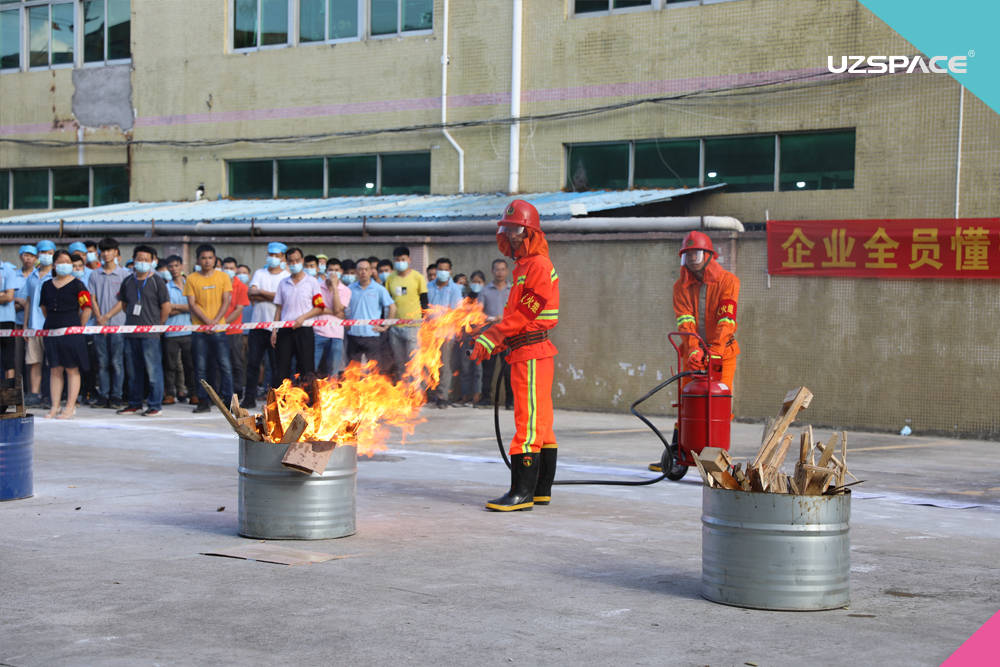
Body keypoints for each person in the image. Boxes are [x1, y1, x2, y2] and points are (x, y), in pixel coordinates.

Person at [471, 200, 560, 511]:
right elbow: (515, 316)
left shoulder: (538, 266)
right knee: (542, 423)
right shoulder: (524, 267)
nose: (510, 237)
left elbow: (524, 313)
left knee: (529, 421)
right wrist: (497, 342)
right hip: (524, 349)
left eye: (516, 232)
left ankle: (521, 494)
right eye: (507, 231)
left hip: (531, 353)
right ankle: (540, 489)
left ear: (531, 233)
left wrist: (493, 335)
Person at [649, 231, 740, 473]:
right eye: (687, 254)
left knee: (720, 401)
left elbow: (726, 319)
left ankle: (717, 452)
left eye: (696, 253)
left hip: (722, 353)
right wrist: (692, 349)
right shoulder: (681, 286)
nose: (691, 258)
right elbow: (684, 321)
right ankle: (679, 450)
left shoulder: (728, 282)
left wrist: (714, 350)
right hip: (693, 353)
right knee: (686, 400)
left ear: (709, 255)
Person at [100, 245, 170, 416]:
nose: (142, 263)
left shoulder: (157, 281)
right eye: (139, 259)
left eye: (146, 259)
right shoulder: (128, 281)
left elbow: (166, 307)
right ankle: (134, 402)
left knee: (153, 371)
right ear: (133, 259)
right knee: (133, 371)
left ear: (153, 261)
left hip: (150, 334)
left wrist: (159, 326)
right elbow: (123, 304)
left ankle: (155, 404)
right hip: (131, 334)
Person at [39, 250, 93, 419]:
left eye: (67, 262)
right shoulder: (47, 285)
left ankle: (70, 406)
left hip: (72, 332)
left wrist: (79, 327)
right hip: (52, 331)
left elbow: (87, 308)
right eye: (61, 262)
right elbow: (43, 308)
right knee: (55, 368)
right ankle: (54, 406)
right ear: (54, 265)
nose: (64, 265)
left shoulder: (78, 285)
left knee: (72, 369)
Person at [184, 244, 233, 413]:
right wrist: (207, 322)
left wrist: (215, 321)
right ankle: (203, 401)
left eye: (210, 258)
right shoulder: (191, 278)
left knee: (225, 366)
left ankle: (229, 402)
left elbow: (226, 300)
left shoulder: (223, 277)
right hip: (199, 331)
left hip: (219, 330)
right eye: (203, 258)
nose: (207, 261)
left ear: (215, 259)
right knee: (200, 367)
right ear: (198, 260)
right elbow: (192, 303)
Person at [243, 242, 289, 408]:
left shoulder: (285, 276)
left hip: (276, 327)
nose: (273, 258)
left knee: (276, 366)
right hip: (257, 326)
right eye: (271, 254)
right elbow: (251, 293)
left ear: (283, 257)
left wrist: (261, 293)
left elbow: (283, 299)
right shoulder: (259, 273)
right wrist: (273, 296)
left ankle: (275, 400)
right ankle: (249, 398)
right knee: (253, 364)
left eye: (277, 255)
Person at [328, 259, 395, 373]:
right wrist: (346, 323)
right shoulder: (349, 289)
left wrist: (385, 326)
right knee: (353, 372)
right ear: (356, 272)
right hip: (353, 336)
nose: (363, 272)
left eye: (366, 269)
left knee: (374, 371)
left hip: (372, 336)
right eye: (360, 269)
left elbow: (392, 307)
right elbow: (341, 309)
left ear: (370, 272)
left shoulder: (379, 289)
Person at [271, 247, 325, 383]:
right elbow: (278, 309)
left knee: (307, 369)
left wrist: (303, 318)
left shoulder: (312, 282)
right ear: (287, 263)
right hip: (285, 330)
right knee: (282, 368)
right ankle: (281, 401)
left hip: (304, 329)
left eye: (297, 260)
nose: (294, 264)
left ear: (302, 260)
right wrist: (274, 330)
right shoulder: (283, 283)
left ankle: (309, 401)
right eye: (291, 261)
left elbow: (319, 307)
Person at [88, 237, 130, 409]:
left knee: (117, 362)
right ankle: (103, 395)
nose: (105, 254)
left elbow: (124, 300)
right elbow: (92, 298)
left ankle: (116, 396)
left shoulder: (125, 274)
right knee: (102, 362)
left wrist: (107, 317)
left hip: (118, 325)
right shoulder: (94, 274)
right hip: (99, 326)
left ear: (116, 252)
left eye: (109, 250)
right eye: (103, 251)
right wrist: (99, 318)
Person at [384, 246, 428, 381]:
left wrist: (424, 321)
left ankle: (417, 395)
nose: (400, 262)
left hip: (413, 326)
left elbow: (424, 301)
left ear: (409, 259)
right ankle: (404, 394)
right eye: (397, 260)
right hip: (395, 327)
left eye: (403, 259)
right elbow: (387, 300)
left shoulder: (418, 277)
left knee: (414, 363)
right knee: (400, 363)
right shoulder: (390, 279)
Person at [427, 257, 463, 408]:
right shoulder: (428, 286)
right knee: (427, 365)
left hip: (446, 334)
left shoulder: (455, 289)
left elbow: (457, 312)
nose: (442, 272)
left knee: (444, 366)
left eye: (445, 269)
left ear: (450, 271)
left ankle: (442, 396)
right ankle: (429, 395)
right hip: (428, 333)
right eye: (440, 269)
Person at [477, 258, 513, 409]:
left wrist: (506, 319)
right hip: (490, 336)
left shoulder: (513, 290)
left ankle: (510, 402)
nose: (500, 272)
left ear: (507, 271)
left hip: (507, 337)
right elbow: (477, 314)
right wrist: (492, 319)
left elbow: (518, 312)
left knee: (509, 370)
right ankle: (486, 399)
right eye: (497, 269)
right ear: (492, 271)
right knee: (488, 370)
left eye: (503, 269)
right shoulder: (485, 291)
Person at [24, 240, 56, 406]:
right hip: (33, 326)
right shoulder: (32, 276)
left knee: (51, 363)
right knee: (34, 361)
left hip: (50, 326)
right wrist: (25, 325)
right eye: (42, 252)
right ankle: (35, 394)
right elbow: (28, 301)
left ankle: (49, 395)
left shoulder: (56, 276)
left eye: (49, 253)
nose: (45, 256)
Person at [162, 255, 196, 405]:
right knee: (170, 365)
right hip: (171, 332)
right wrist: (187, 308)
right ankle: (170, 393)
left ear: (182, 266)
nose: (174, 269)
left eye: (176, 265)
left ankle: (193, 393)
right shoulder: (166, 287)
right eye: (171, 266)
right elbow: (167, 309)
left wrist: (177, 307)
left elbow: (195, 307)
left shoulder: (190, 284)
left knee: (190, 365)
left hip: (189, 331)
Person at [314, 262, 350, 377]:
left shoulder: (345, 290)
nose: (333, 273)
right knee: (313, 368)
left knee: (333, 371)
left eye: (336, 270)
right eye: (331, 270)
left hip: (336, 335)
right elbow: (317, 308)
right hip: (318, 332)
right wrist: (336, 313)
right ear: (326, 271)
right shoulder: (317, 287)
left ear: (341, 272)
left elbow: (338, 307)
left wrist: (335, 287)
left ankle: (332, 393)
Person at [456, 271, 486, 406]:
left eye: (479, 282)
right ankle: (465, 396)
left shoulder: (486, 296)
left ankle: (476, 397)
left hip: (481, 337)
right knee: (465, 366)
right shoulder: (465, 298)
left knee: (478, 368)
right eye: (474, 281)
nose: (476, 284)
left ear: (484, 283)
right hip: (466, 337)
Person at [222, 256, 250, 397]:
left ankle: (238, 390)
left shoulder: (241, 287)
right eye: (226, 268)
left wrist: (223, 323)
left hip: (234, 331)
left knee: (236, 362)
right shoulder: (219, 284)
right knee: (220, 364)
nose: (229, 271)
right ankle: (223, 391)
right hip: (218, 331)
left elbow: (239, 309)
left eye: (231, 269)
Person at [0, 250, 21, 391]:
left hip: (5, 319)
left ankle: (10, 393)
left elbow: (9, 297)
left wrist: (5, 295)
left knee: (8, 359)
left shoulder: (8, 270)